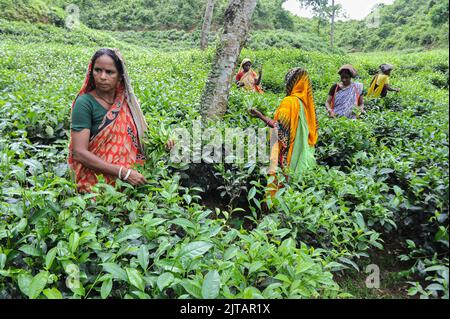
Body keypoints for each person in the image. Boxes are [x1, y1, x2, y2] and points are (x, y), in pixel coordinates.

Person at [68, 48, 149, 193]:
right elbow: (78, 152)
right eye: (97, 70)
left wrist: (165, 143)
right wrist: (122, 173)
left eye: (109, 72)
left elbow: (141, 137)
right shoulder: (85, 103)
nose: (102, 77)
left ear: (120, 77)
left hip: (131, 182)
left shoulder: (127, 103)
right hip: (95, 184)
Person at [250, 67, 318, 196]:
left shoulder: (289, 102)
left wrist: (260, 116)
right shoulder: (307, 105)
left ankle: (274, 207)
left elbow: (279, 129)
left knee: (281, 186)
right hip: (303, 155)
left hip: (288, 155)